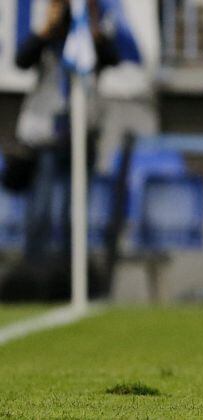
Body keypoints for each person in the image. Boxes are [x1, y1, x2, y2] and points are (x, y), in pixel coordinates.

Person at [7, 0, 128, 299]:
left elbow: (113, 58)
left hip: (80, 136)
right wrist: (48, 27)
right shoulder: (50, 37)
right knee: (41, 212)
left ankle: (68, 281)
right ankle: (33, 280)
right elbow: (22, 59)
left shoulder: (88, 40)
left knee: (72, 214)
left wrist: (92, 30)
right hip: (46, 137)